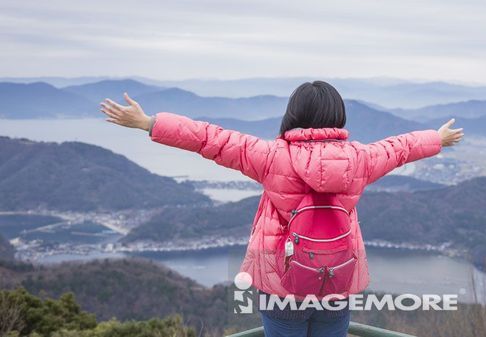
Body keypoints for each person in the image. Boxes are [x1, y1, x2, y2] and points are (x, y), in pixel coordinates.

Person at [100, 80, 463, 337]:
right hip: (336, 278)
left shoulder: (272, 157)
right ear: (339, 117)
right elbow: (400, 147)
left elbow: (209, 138)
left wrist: (149, 123)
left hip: (282, 282)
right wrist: (438, 138)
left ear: (293, 115)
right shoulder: (361, 159)